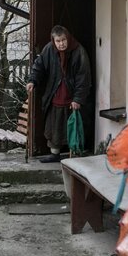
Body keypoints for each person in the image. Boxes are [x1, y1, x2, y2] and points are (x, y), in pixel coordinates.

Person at [26, 25, 91, 162]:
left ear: (68, 38)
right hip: (55, 94)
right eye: (58, 41)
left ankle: (74, 153)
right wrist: (32, 81)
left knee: (73, 126)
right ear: (53, 41)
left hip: (71, 96)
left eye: (63, 40)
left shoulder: (78, 51)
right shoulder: (49, 49)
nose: (61, 44)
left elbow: (83, 77)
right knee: (54, 126)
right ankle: (54, 154)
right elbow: (39, 66)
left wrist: (78, 99)